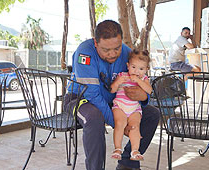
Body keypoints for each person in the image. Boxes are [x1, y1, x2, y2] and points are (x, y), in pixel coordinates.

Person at [67, 20, 159, 170]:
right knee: (94, 117)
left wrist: (143, 96)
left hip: (113, 101)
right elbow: (92, 96)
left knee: (152, 114)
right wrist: (119, 125)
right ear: (96, 43)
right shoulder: (84, 52)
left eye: (117, 48)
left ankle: (127, 165)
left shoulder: (127, 53)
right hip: (80, 99)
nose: (112, 54)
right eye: (105, 50)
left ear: (121, 41)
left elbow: (141, 81)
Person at [110, 50, 152, 162]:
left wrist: (138, 80)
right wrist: (117, 82)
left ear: (146, 69)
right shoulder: (122, 75)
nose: (137, 71)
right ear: (128, 66)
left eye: (141, 69)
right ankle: (117, 149)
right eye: (133, 67)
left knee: (134, 127)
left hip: (134, 109)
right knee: (120, 123)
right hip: (120, 106)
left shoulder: (143, 79)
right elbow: (112, 89)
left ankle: (135, 151)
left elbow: (149, 90)